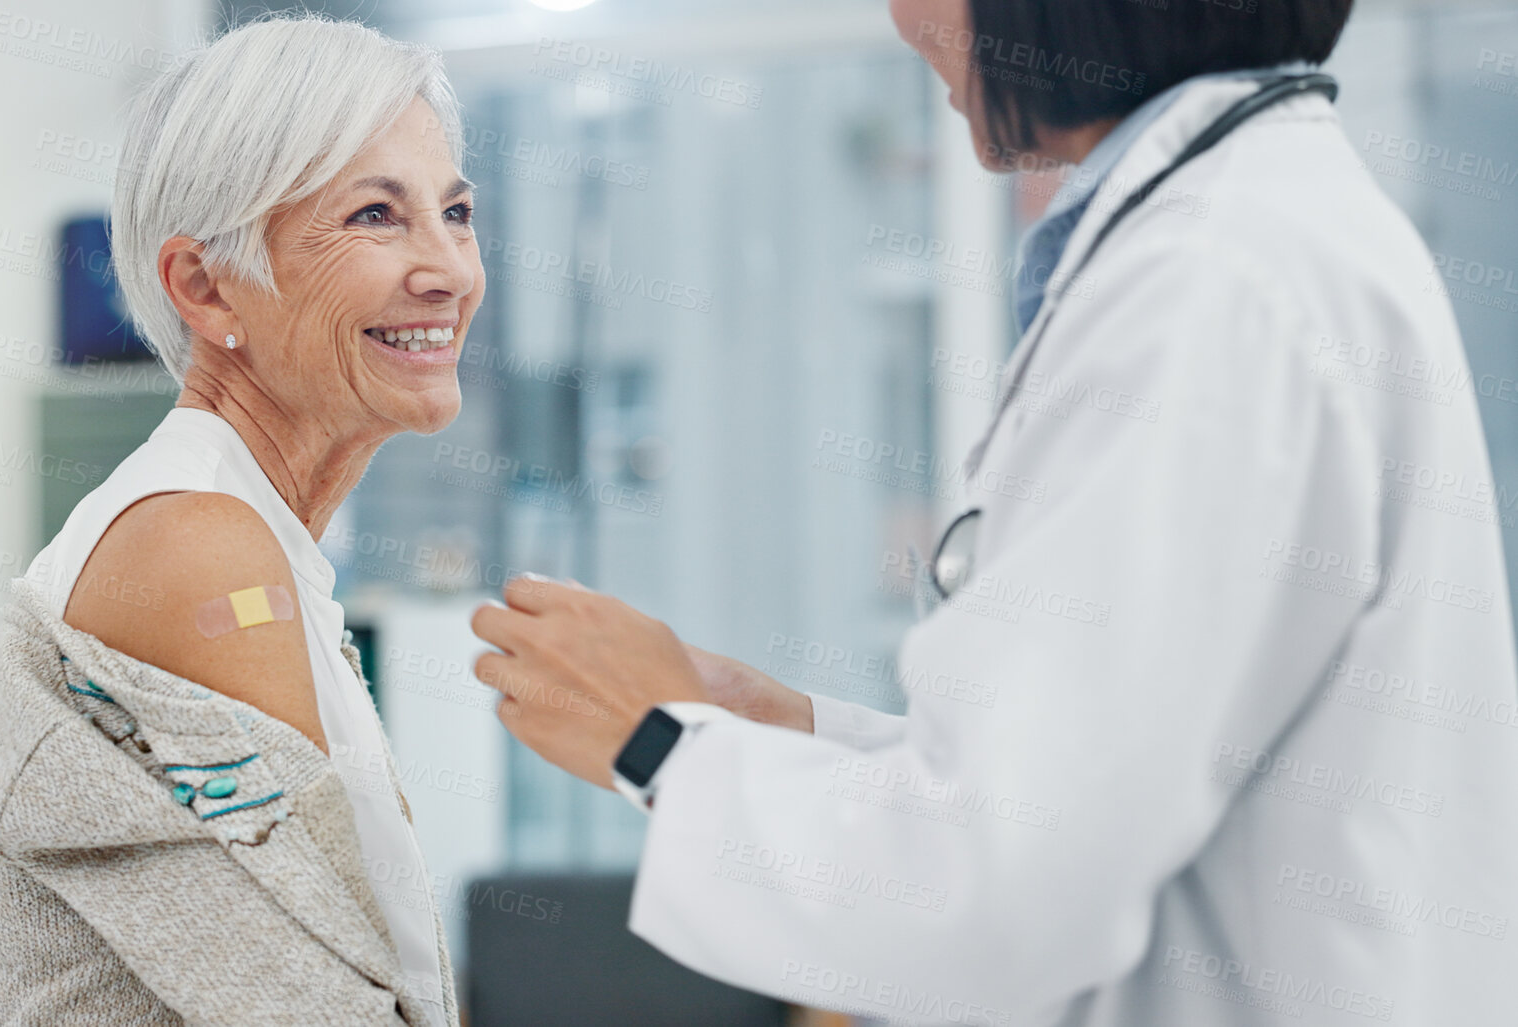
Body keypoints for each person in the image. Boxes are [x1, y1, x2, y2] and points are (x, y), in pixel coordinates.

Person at [470, 2, 1518, 1024]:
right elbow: (1093, 792)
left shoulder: (1210, 285)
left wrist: (657, 745)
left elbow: (999, 887)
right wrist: (793, 734)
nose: (899, 19)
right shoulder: (1259, 236)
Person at [0, 15, 482, 1026]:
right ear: (203, 284)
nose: (448, 267)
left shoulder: (267, 546)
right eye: (376, 215)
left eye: (456, 212)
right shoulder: (197, 549)